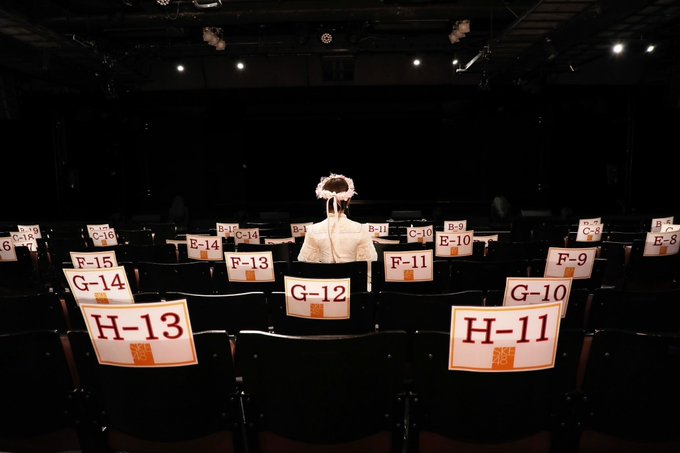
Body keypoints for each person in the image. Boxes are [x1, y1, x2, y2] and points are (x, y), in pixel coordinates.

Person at [297, 173, 378, 263]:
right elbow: (369, 263)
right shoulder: (361, 229)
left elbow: (305, 263)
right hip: (353, 272)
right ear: (348, 200)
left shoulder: (313, 230)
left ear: (324, 200)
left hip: (323, 273)